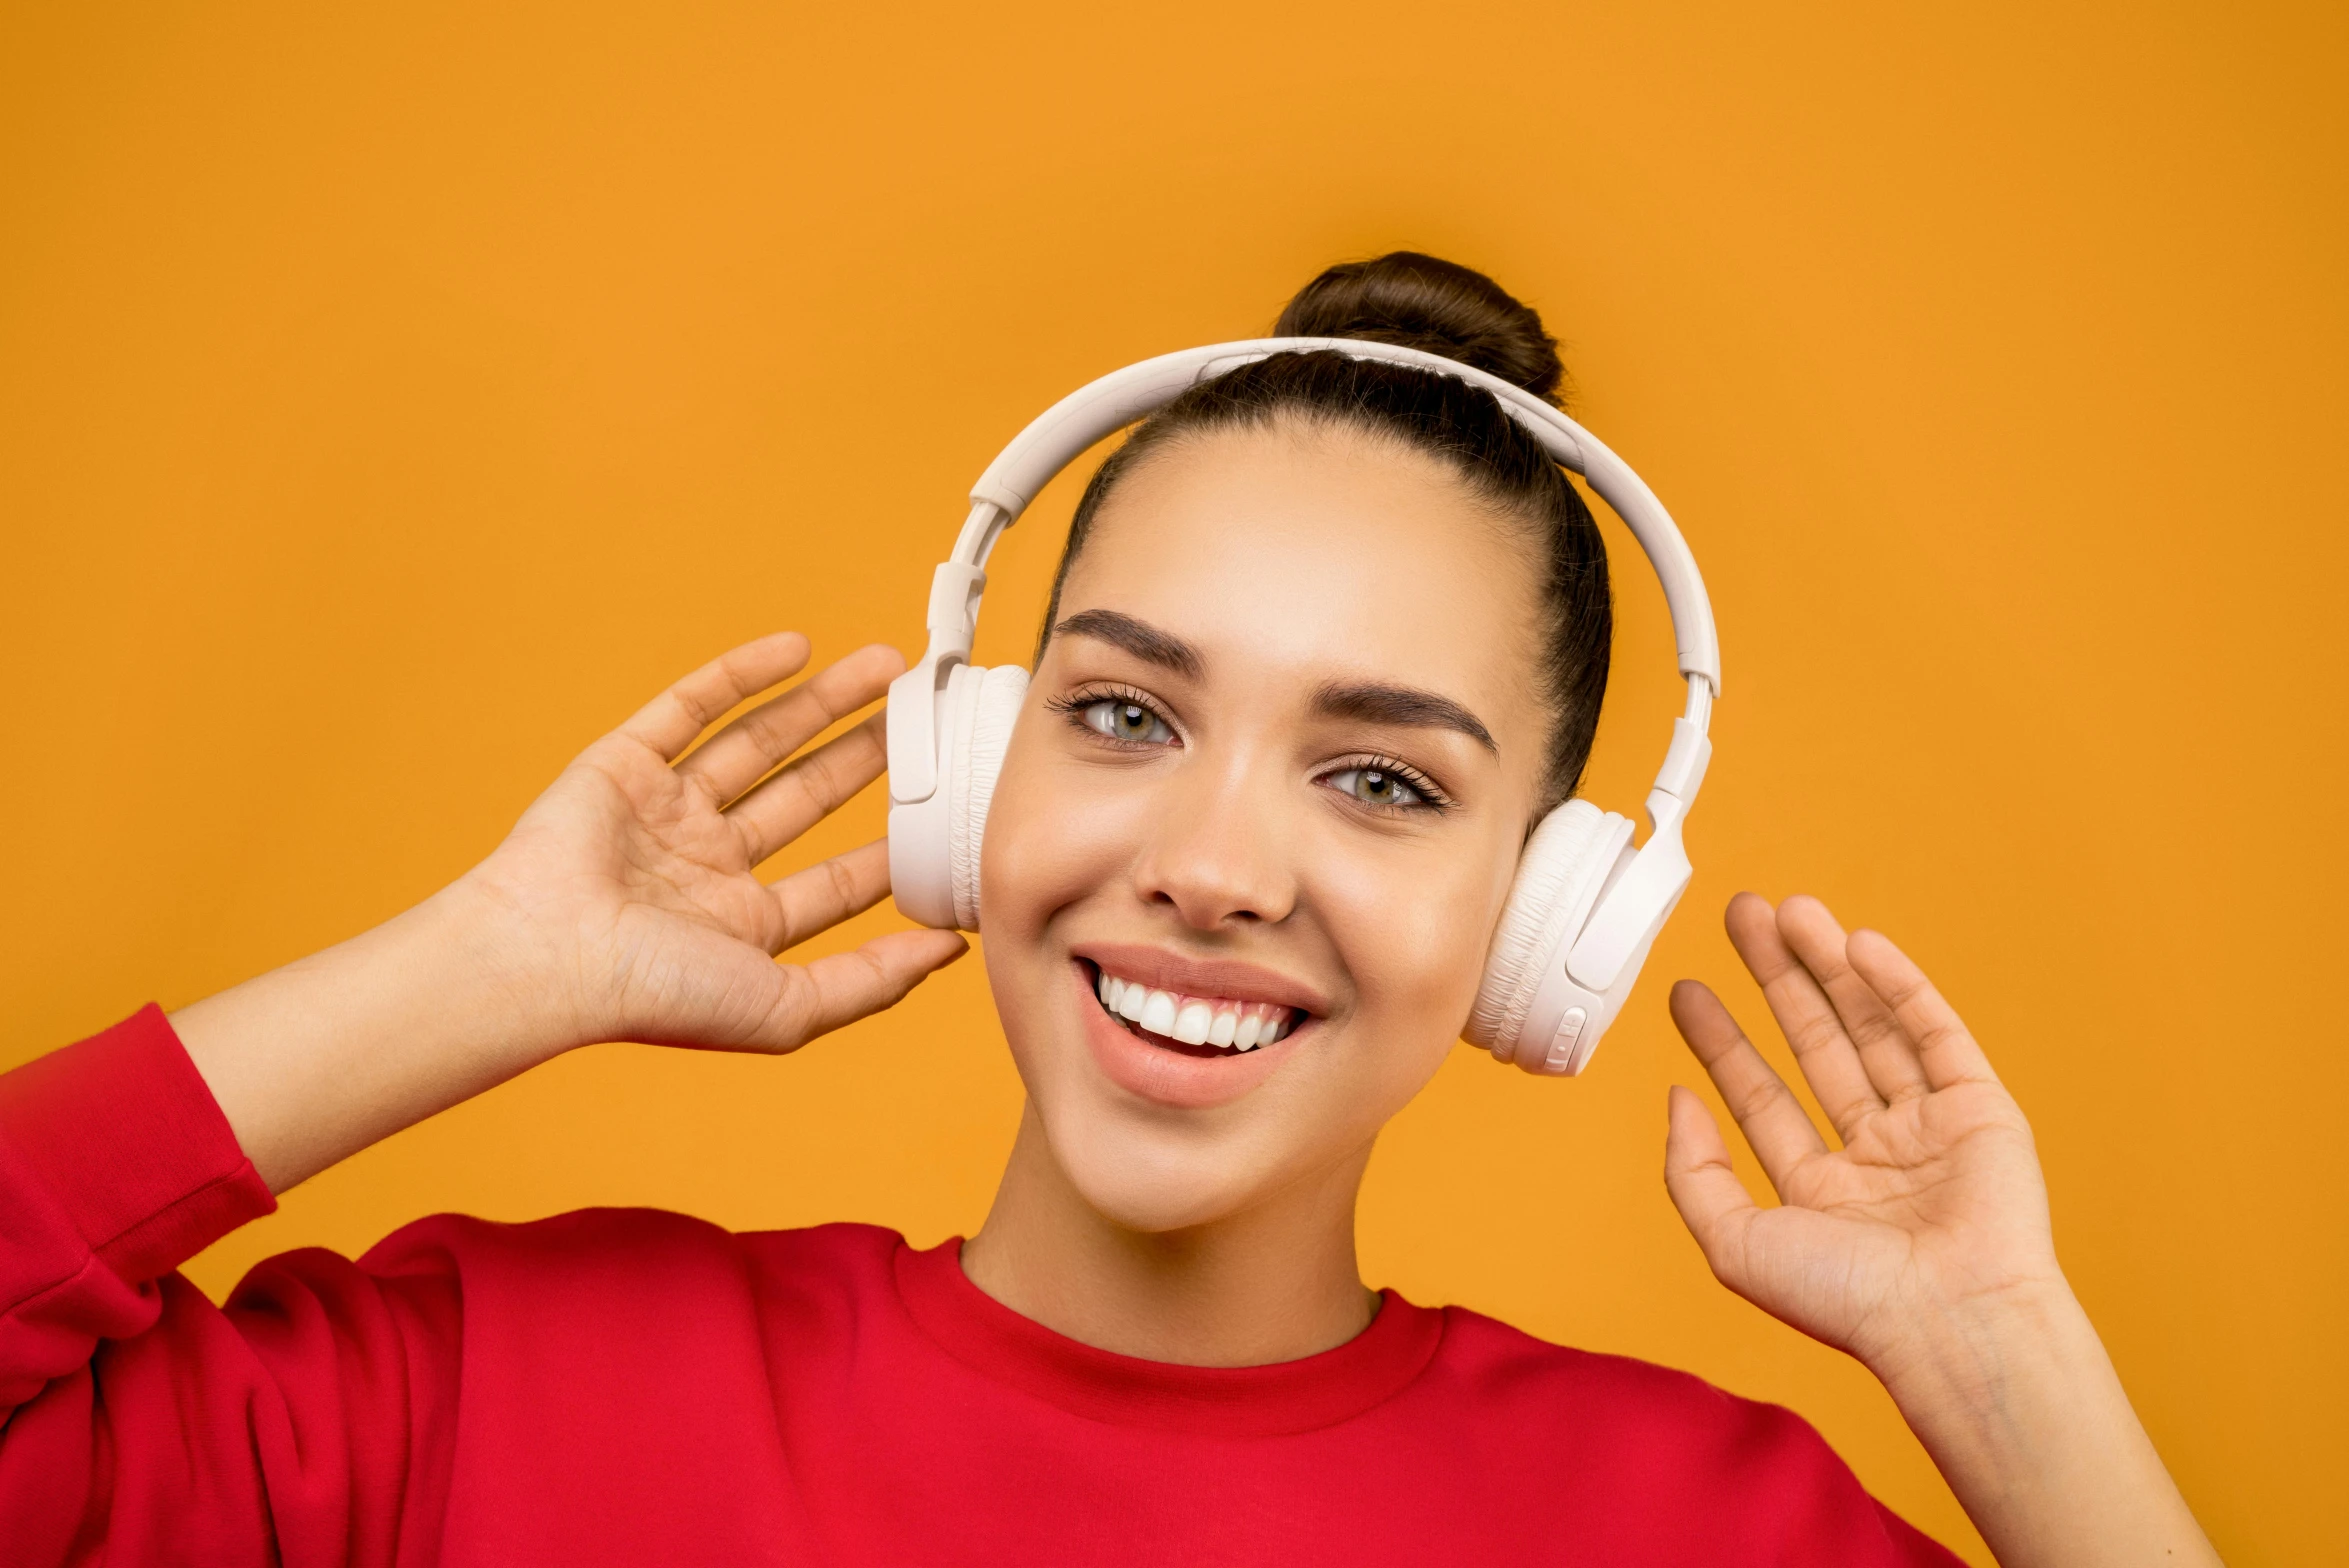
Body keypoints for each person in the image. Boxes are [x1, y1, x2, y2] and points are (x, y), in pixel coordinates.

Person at [0, 253, 2217, 1567]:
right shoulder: (492, 1389)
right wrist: (476, 972)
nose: (1218, 864)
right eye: (1129, 713)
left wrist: (2002, 1365)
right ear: (977, 778)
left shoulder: (1690, 1525)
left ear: (1547, 906)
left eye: (1376, 776)